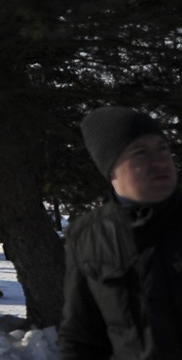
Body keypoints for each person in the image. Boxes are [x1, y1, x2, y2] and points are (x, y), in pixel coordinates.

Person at [61, 107, 179, 359]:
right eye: (140, 153)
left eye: (163, 149)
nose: (159, 161)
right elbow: (81, 336)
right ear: (111, 167)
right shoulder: (87, 235)